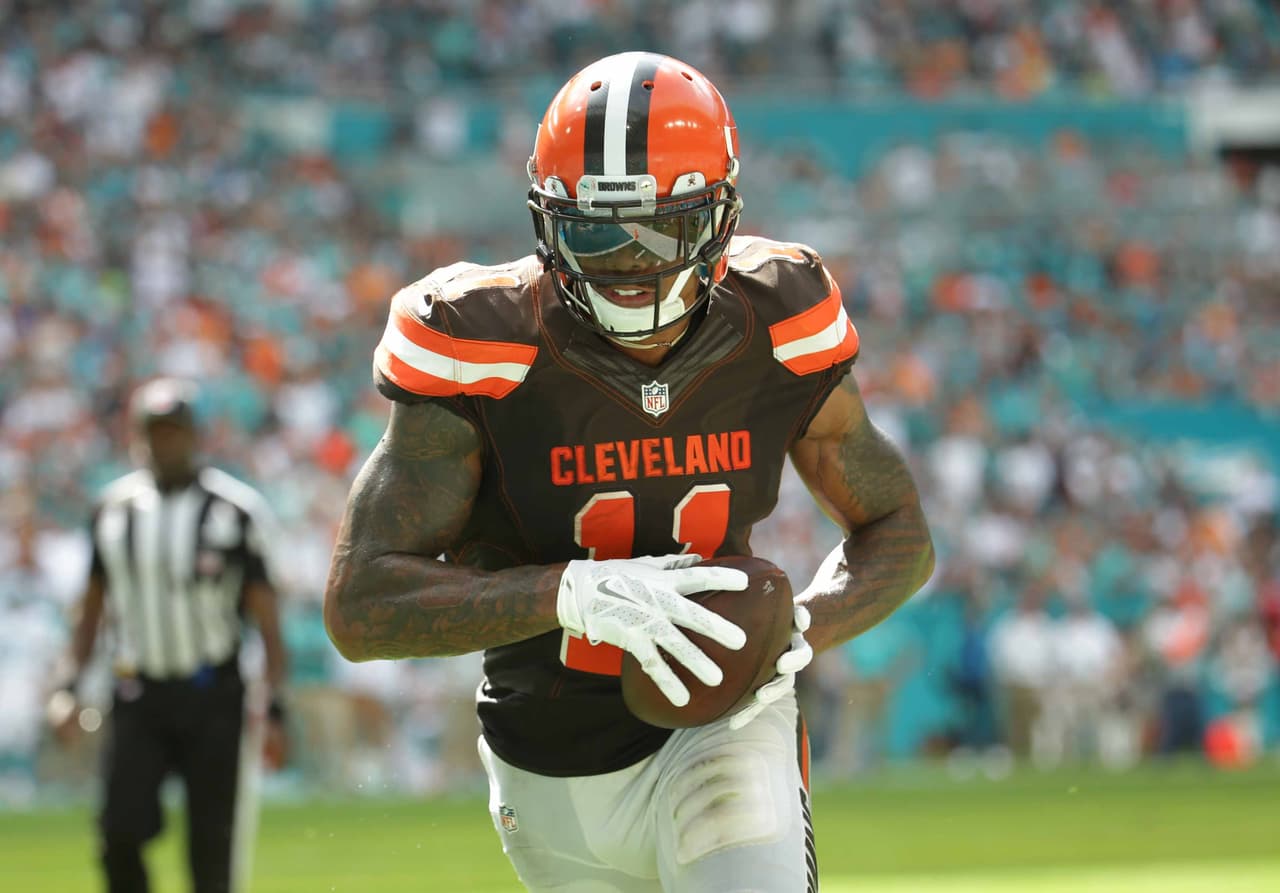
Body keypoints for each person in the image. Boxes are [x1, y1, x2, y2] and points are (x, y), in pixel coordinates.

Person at [325, 52, 934, 892]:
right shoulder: (474, 339)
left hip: (724, 727)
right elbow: (360, 606)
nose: (629, 268)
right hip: (546, 758)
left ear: (722, 215)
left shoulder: (781, 311)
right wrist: (571, 595)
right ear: (546, 220)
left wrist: (801, 626)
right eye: (595, 233)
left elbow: (899, 528)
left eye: (660, 229)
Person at [47, 378, 290, 893]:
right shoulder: (112, 510)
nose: (165, 443)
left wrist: (274, 708)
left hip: (215, 695)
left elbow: (268, 621)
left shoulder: (235, 510)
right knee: (118, 833)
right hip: (139, 692)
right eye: (155, 432)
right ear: (137, 436)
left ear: (195, 435)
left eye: (175, 431)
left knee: (211, 850)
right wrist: (67, 686)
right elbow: (89, 613)